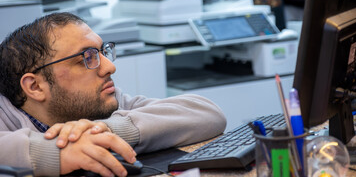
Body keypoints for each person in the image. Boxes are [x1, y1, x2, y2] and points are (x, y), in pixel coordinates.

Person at [0, 12, 226, 176]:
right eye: (86, 57)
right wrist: (57, 152)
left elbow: (208, 113)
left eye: (101, 52)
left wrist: (107, 130)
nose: (109, 67)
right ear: (35, 87)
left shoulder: (105, 104)